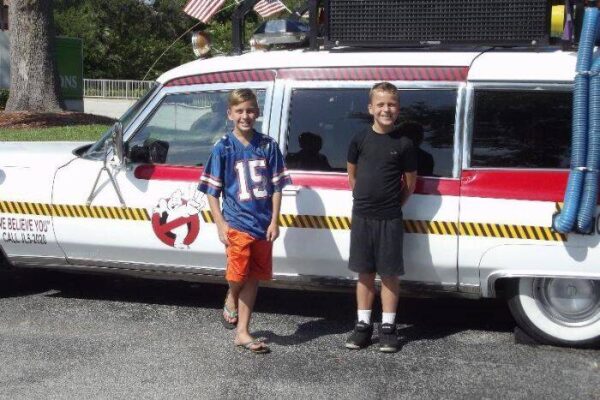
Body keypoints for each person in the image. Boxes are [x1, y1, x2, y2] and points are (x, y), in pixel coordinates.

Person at [198, 88, 291, 354]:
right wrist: (220, 223)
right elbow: (212, 191)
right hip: (237, 224)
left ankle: (242, 332)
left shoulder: (268, 146)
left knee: (254, 277)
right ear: (230, 114)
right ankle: (231, 294)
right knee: (238, 274)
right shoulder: (223, 147)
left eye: (250, 110)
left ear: (258, 113)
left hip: (262, 225)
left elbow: (276, 187)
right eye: (239, 111)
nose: (245, 116)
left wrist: (275, 221)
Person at [345, 82, 417, 353]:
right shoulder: (359, 139)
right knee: (364, 273)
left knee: (389, 274)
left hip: (390, 218)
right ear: (370, 108)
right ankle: (363, 325)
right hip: (362, 216)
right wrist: (363, 198)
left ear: (398, 109)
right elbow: (352, 175)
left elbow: (409, 184)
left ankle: (388, 327)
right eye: (381, 104)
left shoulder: (404, 144)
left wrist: (392, 205)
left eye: (392, 104)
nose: (386, 109)